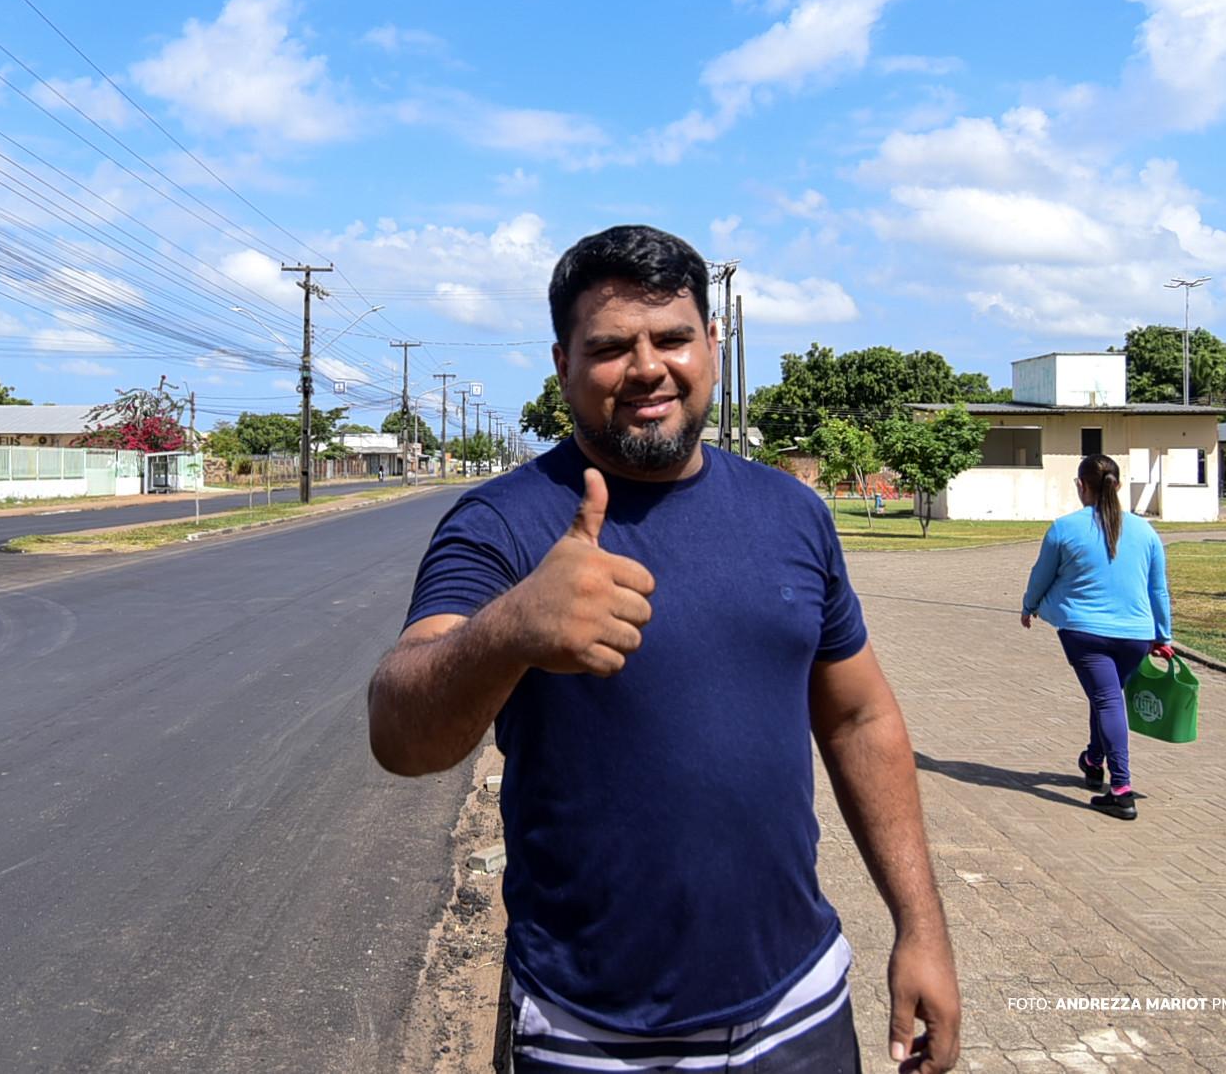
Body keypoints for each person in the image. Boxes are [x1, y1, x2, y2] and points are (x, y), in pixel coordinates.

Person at [368, 225, 960, 1073]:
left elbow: (860, 718)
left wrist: (922, 928)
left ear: (711, 346)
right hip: (590, 1038)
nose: (647, 366)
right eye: (610, 346)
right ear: (563, 363)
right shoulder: (500, 524)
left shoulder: (792, 515)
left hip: (800, 1011)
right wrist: (511, 629)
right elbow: (398, 728)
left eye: (673, 337)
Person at [1019, 454, 1174, 822]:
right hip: (1135, 636)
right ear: (1118, 486)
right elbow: (1159, 591)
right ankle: (1093, 760)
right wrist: (1163, 635)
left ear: (1080, 486)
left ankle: (1120, 790)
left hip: (1084, 633)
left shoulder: (1064, 528)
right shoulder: (1146, 531)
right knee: (1104, 695)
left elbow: (1042, 574)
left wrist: (1029, 605)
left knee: (1106, 700)